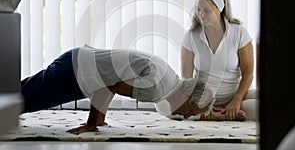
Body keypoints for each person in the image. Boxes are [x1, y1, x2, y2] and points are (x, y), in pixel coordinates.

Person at [21, 44, 218, 134]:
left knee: (22, 93)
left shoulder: (168, 76)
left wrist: (100, 119)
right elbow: (107, 87)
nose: (185, 117)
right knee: (21, 101)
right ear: (187, 94)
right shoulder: (156, 90)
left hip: (78, 64)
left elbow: (112, 82)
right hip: (75, 72)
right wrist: (92, 123)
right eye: (191, 112)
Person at [180, 0, 258, 121]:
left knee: (269, 104)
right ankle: (219, 114)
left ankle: (223, 113)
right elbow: (186, 76)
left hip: (235, 96)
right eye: (198, 10)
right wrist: (201, 103)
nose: (201, 15)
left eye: (207, 10)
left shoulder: (239, 32)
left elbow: (248, 73)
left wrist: (237, 101)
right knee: (164, 106)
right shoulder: (191, 36)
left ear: (220, 9)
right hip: (202, 100)